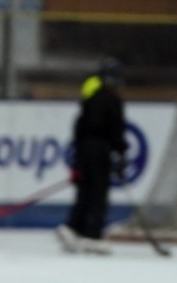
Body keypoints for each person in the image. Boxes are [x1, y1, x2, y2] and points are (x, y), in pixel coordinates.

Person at [58, 58, 128, 257]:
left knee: (84, 190)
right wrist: (121, 153)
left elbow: (79, 127)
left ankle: (73, 228)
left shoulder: (91, 98)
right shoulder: (113, 100)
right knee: (98, 193)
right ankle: (92, 236)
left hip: (84, 149)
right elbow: (116, 130)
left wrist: (79, 156)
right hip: (100, 150)